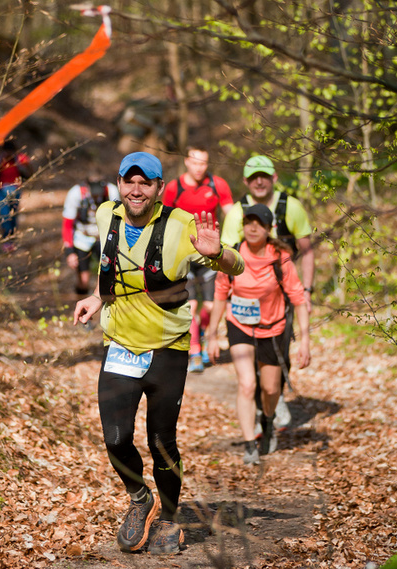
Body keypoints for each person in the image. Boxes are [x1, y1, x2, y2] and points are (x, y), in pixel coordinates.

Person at [73, 151, 243, 555]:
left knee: (161, 440)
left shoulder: (182, 225)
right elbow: (113, 269)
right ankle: (139, 498)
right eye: (129, 181)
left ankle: (168, 516)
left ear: (159, 188)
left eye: (145, 182)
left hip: (167, 349)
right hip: (119, 347)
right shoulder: (104, 216)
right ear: (119, 183)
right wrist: (98, 298)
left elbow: (235, 267)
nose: (136, 189)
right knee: (115, 439)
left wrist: (217, 252)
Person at [207, 203, 311, 465]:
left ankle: (267, 420)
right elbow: (220, 294)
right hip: (239, 326)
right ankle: (249, 443)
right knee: (246, 384)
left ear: (269, 228)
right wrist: (211, 334)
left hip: (272, 328)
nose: (253, 228)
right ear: (243, 225)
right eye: (249, 222)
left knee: (270, 388)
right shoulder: (231, 255)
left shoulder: (280, 257)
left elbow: (298, 298)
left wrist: (305, 340)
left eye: (260, 223)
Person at [220, 155, 315, 427]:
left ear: (274, 178)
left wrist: (306, 291)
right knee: (249, 365)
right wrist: (225, 296)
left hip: (281, 295)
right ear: (246, 181)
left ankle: (275, 397)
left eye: (264, 175)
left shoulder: (291, 208)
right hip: (243, 299)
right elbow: (225, 257)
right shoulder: (237, 213)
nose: (259, 181)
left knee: (279, 352)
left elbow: (307, 252)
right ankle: (257, 401)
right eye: (253, 177)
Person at [162, 146, 234, 373]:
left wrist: (232, 245)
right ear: (186, 162)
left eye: (203, 163)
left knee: (212, 307)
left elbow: (232, 215)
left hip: (210, 254)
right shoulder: (175, 187)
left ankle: (200, 333)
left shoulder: (217, 185)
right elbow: (164, 218)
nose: (199, 167)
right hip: (183, 253)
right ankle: (194, 351)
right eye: (195, 162)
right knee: (190, 305)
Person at [61, 172, 119, 295]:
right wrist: (69, 252)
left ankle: (104, 303)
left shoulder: (111, 191)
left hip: (103, 236)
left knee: (107, 275)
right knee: (84, 280)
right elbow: (67, 224)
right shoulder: (76, 194)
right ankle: (81, 303)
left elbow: (118, 220)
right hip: (82, 236)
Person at [0, 139, 33, 250]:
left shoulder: (18, 158)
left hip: (15, 190)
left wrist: (24, 166)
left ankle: (12, 238)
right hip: (1, 191)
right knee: (4, 215)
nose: (8, 154)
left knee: (13, 215)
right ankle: (6, 240)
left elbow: (29, 165)